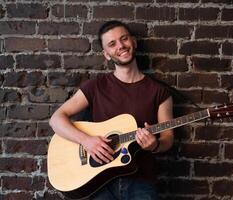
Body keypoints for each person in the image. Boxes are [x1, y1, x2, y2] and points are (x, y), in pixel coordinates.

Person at [49, 20, 174, 200]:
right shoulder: (95, 87)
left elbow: (168, 138)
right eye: (112, 44)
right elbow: (56, 119)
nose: (121, 46)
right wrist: (87, 141)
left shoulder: (159, 92)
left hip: (141, 181)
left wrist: (154, 145)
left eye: (124, 39)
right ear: (106, 54)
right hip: (98, 181)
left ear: (134, 42)